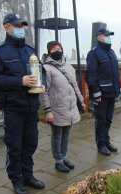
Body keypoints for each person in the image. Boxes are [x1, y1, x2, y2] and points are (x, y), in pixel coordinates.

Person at [0, 13, 46, 194]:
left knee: (31, 144)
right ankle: (16, 179)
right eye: (17, 26)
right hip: (13, 107)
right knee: (15, 146)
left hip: (31, 106)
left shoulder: (30, 51)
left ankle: (28, 176)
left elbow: (41, 72)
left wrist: (43, 84)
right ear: (7, 27)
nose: (21, 29)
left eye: (22, 26)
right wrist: (20, 81)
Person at [39, 41, 85, 173]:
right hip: (56, 108)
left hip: (69, 107)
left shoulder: (69, 66)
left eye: (59, 48)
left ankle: (64, 157)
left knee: (66, 134)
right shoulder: (46, 68)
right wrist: (47, 111)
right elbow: (43, 91)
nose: (57, 50)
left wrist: (81, 100)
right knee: (57, 135)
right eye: (53, 49)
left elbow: (75, 85)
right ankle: (58, 161)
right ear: (49, 52)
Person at [86, 28, 120, 156]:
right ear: (99, 36)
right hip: (101, 94)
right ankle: (100, 144)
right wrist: (96, 93)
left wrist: (118, 90)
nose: (108, 37)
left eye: (109, 35)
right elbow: (91, 75)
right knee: (101, 120)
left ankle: (106, 141)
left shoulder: (111, 52)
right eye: (106, 35)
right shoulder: (94, 53)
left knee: (109, 120)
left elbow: (115, 73)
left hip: (111, 93)